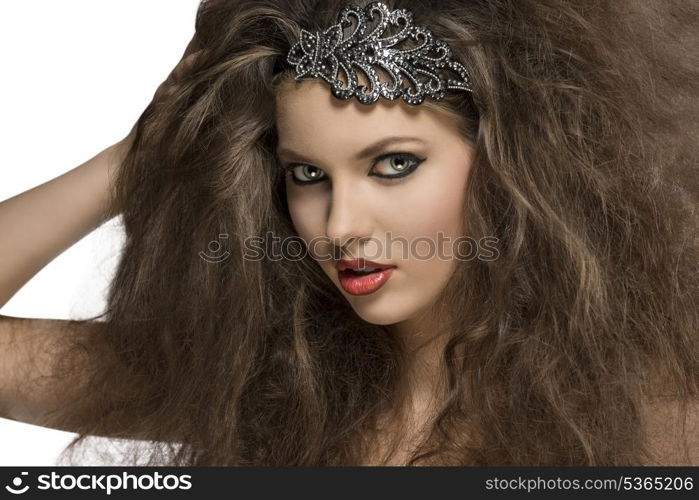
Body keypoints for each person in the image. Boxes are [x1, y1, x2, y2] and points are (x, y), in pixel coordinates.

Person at [0, 0, 697, 466]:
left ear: (518, 165)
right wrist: (133, 161)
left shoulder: (654, 424)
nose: (339, 226)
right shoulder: (247, 384)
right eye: (306, 175)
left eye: (393, 165)